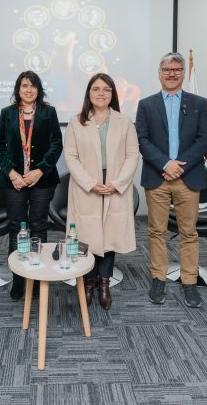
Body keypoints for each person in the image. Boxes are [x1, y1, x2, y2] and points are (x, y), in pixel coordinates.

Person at [135, 52, 207, 307]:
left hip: (187, 178)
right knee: (156, 231)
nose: (172, 73)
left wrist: (179, 166)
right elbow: (142, 140)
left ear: (182, 73)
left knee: (188, 233)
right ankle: (159, 277)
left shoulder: (199, 102)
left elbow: (204, 139)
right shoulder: (146, 104)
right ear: (159, 73)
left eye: (177, 69)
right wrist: (165, 164)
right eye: (167, 69)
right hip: (157, 176)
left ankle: (189, 281)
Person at [64, 73, 139, 309]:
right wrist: (89, 182)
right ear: (88, 93)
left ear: (112, 94)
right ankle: (87, 283)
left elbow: (132, 155)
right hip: (87, 185)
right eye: (96, 89)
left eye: (106, 89)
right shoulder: (77, 121)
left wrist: (118, 183)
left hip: (115, 183)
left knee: (109, 236)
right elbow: (71, 157)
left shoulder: (123, 121)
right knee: (86, 237)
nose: (101, 93)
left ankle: (104, 284)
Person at [0, 71, 63, 300]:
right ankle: (19, 278)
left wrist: (40, 170)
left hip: (41, 180)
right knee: (17, 228)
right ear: (18, 89)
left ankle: (37, 275)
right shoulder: (7, 113)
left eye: (33, 86)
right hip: (14, 181)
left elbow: (56, 144)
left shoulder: (48, 112)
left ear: (38, 89)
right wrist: (12, 173)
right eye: (24, 85)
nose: (28, 89)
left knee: (38, 226)